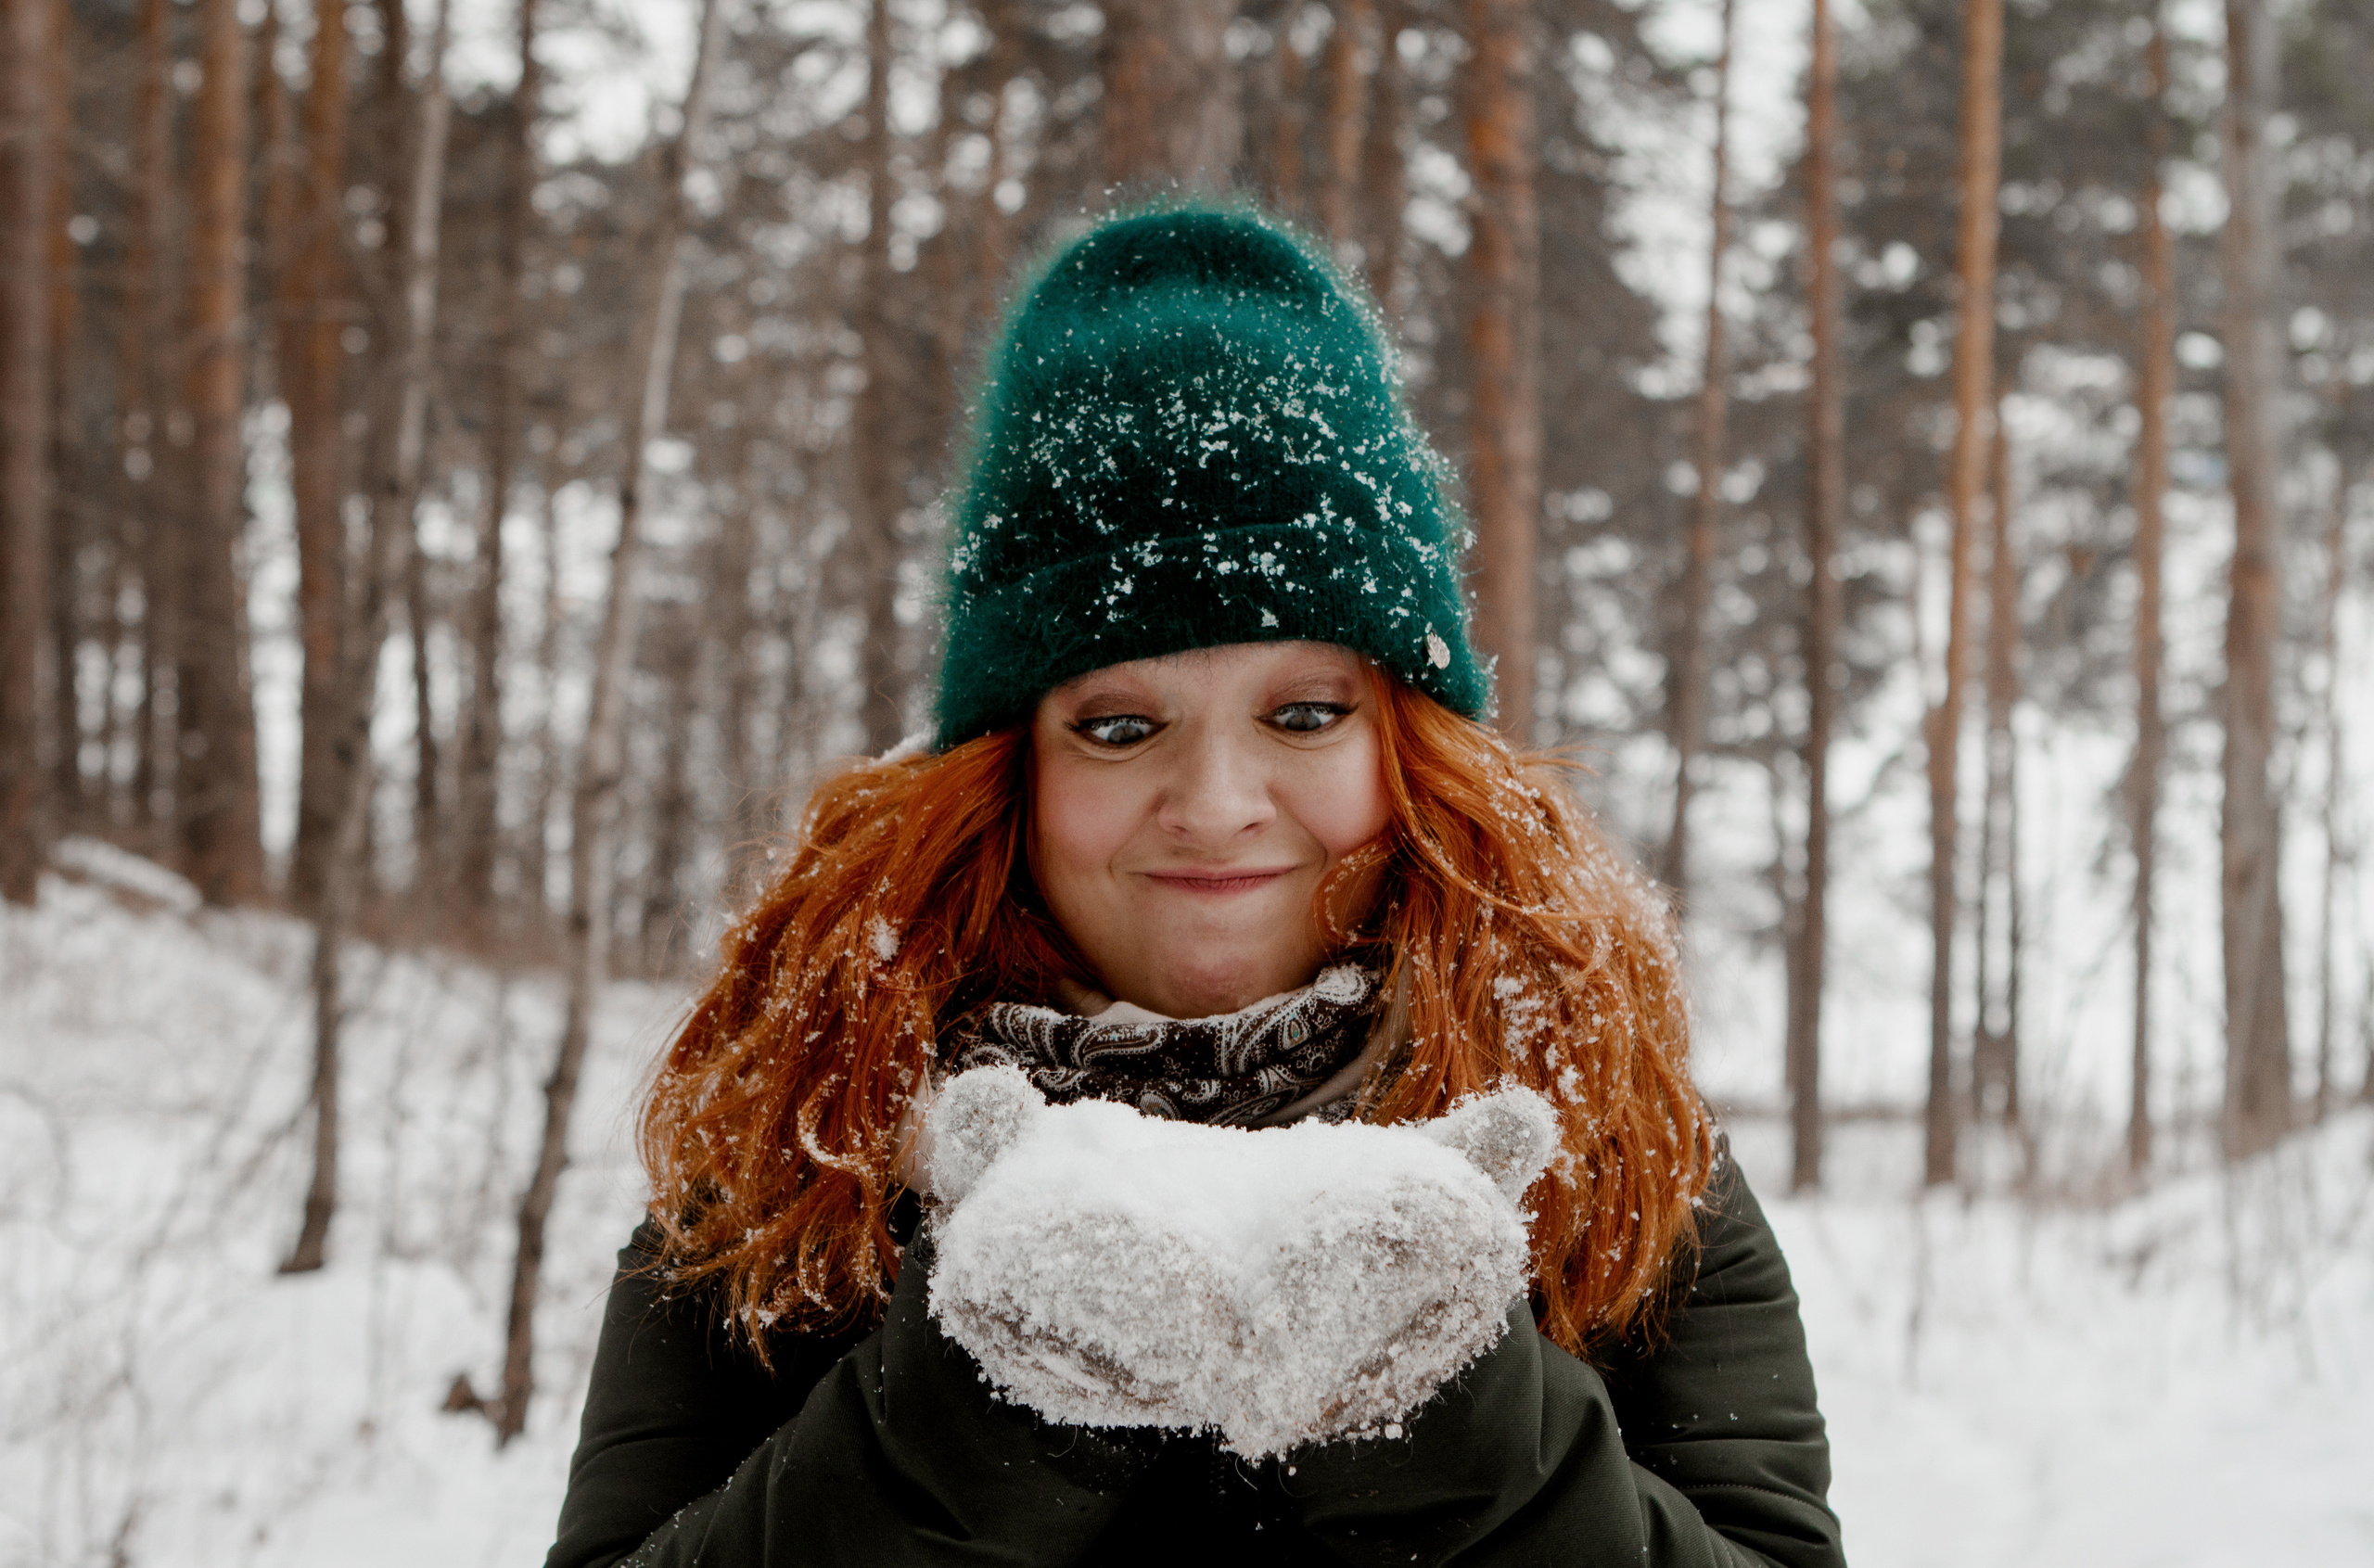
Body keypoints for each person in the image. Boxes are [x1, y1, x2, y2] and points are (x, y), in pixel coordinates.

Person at [543, 203, 1844, 1568]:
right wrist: (970, 1404)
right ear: (1010, 772)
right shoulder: (809, 1135)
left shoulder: (1612, 1135)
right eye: (1119, 726)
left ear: (1411, 747)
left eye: (1304, 716)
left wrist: (1455, 1415)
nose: (1219, 806)